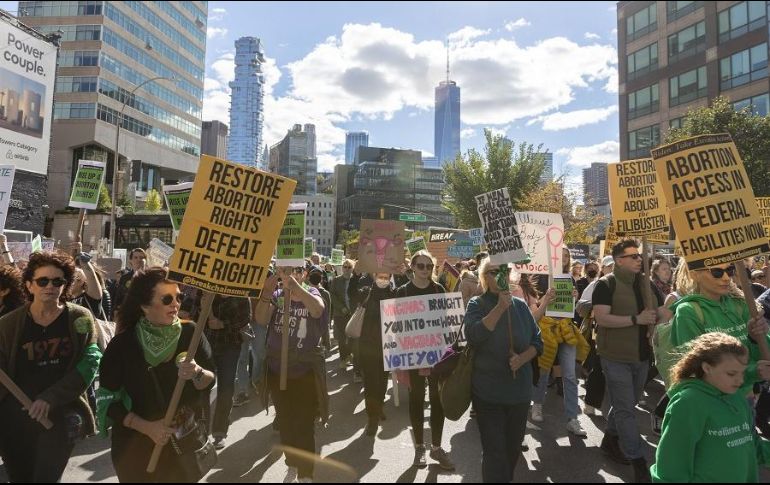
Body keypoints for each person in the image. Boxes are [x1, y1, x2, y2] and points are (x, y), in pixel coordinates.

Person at [97, 267, 216, 482]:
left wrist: (197, 373)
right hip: (135, 451)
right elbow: (107, 400)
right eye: (167, 298)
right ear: (144, 306)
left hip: (183, 446)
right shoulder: (123, 344)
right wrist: (148, 428)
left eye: (178, 297)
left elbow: (209, 381)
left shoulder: (191, 332)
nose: (176, 304)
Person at [0, 251, 101, 482]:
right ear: (29, 285)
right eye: (42, 281)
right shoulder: (8, 324)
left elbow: (90, 362)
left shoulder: (80, 318)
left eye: (58, 281)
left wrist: (50, 398)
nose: (50, 286)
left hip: (61, 415)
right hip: (14, 418)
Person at [592, 240, 667, 482]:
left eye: (640, 255)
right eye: (633, 256)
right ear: (619, 260)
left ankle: (609, 439)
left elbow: (661, 312)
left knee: (628, 403)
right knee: (626, 409)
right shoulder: (605, 284)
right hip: (615, 357)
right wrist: (637, 319)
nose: (638, 259)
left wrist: (665, 312)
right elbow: (602, 319)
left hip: (642, 356)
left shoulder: (647, 284)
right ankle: (638, 461)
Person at [650, 332, 770, 482]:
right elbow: (671, 467)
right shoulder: (688, 403)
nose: (740, 380)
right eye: (731, 374)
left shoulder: (737, 397)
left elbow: (753, 446)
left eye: (742, 373)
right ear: (707, 368)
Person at [465, 259, 543, 483]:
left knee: (511, 450)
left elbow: (537, 343)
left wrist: (521, 359)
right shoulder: (477, 305)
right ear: (484, 277)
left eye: (504, 270)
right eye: (493, 271)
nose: (500, 275)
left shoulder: (520, 307)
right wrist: (500, 307)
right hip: (488, 394)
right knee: (494, 451)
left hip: (518, 394)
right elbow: (474, 336)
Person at [253, 266, 327, 482]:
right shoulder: (277, 296)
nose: (290, 275)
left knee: (304, 422)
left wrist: (296, 288)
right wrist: (266, 293)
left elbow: (317, 311)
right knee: (285, 420)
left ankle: (306, 473)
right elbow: (260, 319)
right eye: (285, 271)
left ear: (304, 274)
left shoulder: (312, 293)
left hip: (304, 371)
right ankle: (293, 457)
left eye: (296, 271)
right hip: (278, 369)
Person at [669, 260, 769, 397]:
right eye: (717, 272)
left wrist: (756, 337)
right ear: (694, 274)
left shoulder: (741, 304)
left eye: (729, 270)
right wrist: (752, 373)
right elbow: (697, 371)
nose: (726, 277)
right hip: (711, 402)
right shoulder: (688, 312)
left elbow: (764, 356)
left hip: (745, 401)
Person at [395, 250, 454, 470]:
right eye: (421, 266)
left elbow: (448, 321)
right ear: (412, 267)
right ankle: (420, 447)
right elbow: (395, 325)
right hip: (413, 357)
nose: (426, 270)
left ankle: (437, 448)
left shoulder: (439, 290)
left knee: (438, 401)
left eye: (429, 267)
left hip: (437, 355)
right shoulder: (402, 292)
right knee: (417, 400)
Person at [204, 294, 251, 449]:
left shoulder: (241, 294)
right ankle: (201, 432)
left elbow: (245, 319)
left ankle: (219, 432)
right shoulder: (206, 291)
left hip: (230, 347)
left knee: (226, 389)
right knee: (202, 388)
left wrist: (223, 324)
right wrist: (203, 307)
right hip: (206, 345)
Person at [356, 272, 396, 436]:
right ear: (374, 275)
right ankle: (372, 419)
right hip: (368, 346)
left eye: (386, 277)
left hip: (387, 345)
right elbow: (353, 291)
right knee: (371, 383)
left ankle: (378, 407)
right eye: (380, 276)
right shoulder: (366, 291)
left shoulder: (394, 293)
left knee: (382, 382)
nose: (383, 279)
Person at [577, 255, 615, 416]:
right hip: (599, 333)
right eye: (609, 266)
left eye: (614, 265)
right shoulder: (596, 285)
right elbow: (580, 307)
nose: (612, 269)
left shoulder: (625, 285)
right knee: (599, 368)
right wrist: (597, 307)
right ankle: (591, 402)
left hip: (619, 334)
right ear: (603, 268)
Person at [329, 260, 355, 370]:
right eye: (345, 267)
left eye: (349, 267)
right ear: (342, 268)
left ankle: (350, 355)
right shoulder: (336, 280)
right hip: (340, 314)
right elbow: (332, 296)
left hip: (353, 313)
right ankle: (343, 358)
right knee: (342, 337)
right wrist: (342, 307)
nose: (347, 269)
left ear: (352, 268)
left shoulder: (356, 280)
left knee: (352, 337)